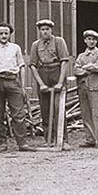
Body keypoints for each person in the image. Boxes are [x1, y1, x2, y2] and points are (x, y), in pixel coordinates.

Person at [0, 23, 34, 153]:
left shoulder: (15, 48)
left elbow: (21, 67)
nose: (4, 36)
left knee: (19, 113)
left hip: (12, 80)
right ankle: (1, 143)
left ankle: (22, 143)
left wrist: (22, 86)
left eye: (6, 33)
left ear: (10, 34)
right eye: (1, 33)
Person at [28, 19, 72, 149]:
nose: (45, 31)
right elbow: (32, 66)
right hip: (43, 74)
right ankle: (49, 139)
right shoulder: (36, 45)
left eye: (47, 29)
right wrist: (41, 84)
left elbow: (64, 61)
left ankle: (63, 140)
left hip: (56, 72)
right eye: (42, 29)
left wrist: (60, 82)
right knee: (45, 109)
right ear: (39, 31)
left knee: (59, 109)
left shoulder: (59, 41)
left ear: (51, 30)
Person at [74, 29, 98, 148]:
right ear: (85, 41)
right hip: (83, 87)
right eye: (89, 39)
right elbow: (76, 70)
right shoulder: (81, 56)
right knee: (86, 113)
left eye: (93, 39)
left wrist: (86, 67)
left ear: (96, 41)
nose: (91, 41)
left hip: (95, 87)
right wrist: (89, 69)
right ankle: (90, 139)